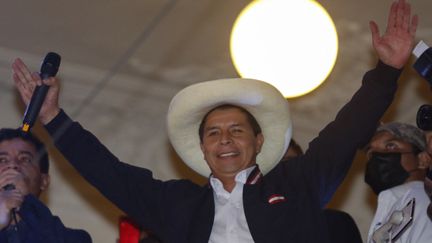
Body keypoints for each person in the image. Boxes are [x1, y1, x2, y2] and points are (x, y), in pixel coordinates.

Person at [11, 0, 418, 242]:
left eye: (237, 130)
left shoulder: (300, 183)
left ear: (259, 142)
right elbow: (109, 173)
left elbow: (346, 133)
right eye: (214, 133)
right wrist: (53, 117)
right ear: (203, 147)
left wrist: (386, 72)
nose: (225, 139)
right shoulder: (178, 205)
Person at [0, 128, 92, 243]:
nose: (13, 165)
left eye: (25, 159)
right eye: (2, 160)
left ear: (44, 181)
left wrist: (26, 201)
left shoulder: (74, 239)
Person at [283, 139, 363, 243]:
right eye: (275, 167)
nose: (281, 173)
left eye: (289, 163)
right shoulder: (258, 226)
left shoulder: (337, 224)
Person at [364, 122, 432, 243]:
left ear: (422, 160)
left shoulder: (425, 205)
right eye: (370, 153)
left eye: (391, 146)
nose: (376, 155)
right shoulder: (392, 207)